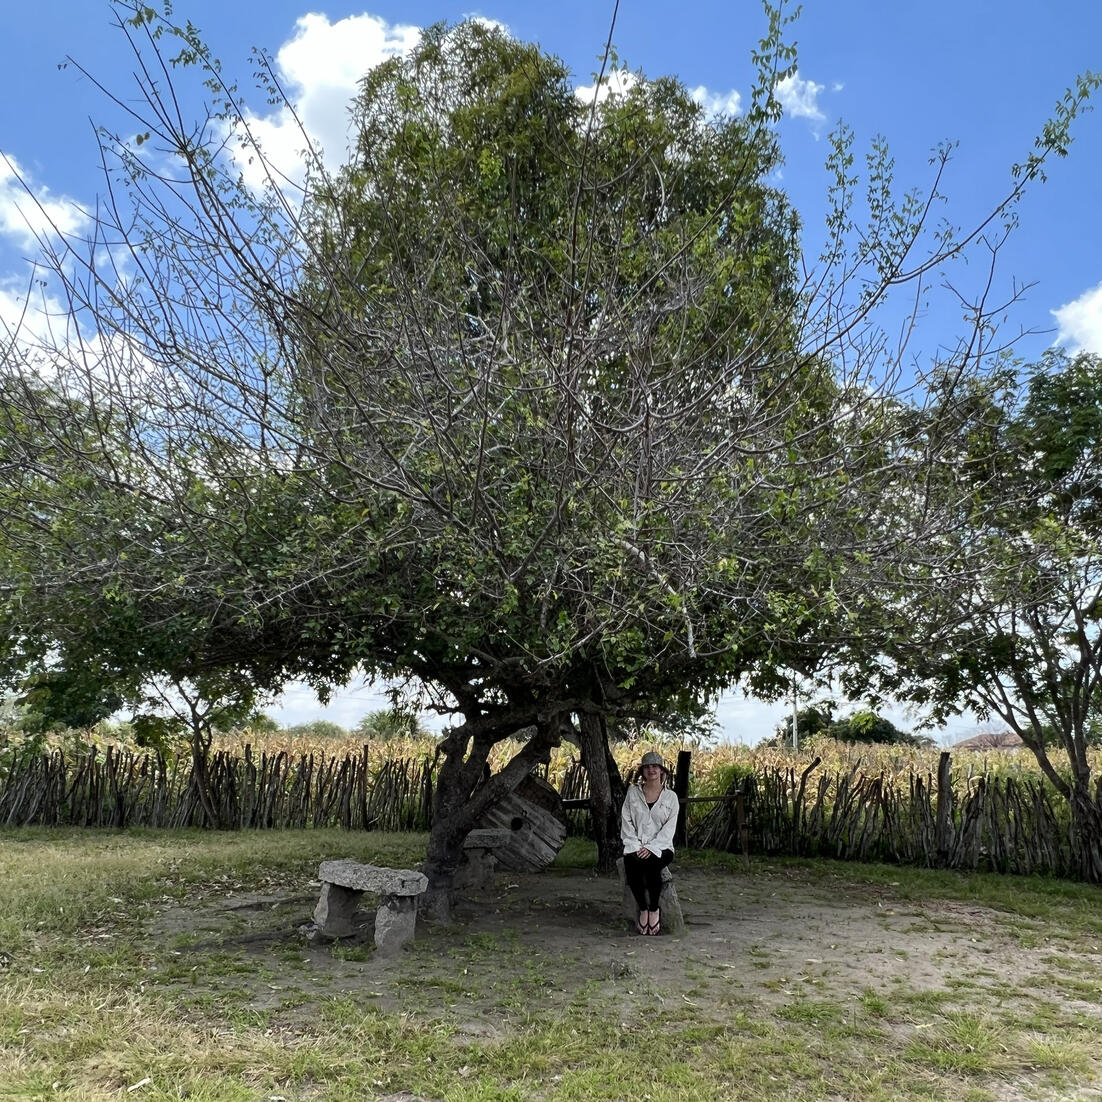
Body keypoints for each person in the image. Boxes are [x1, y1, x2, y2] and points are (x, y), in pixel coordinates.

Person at [620, 750, 678, 935]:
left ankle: (654, 910)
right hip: (635, 844)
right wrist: (636, 847)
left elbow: (669, 829)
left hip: (662, 847)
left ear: (662, 771)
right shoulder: (633, 793)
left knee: (653, 865)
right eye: (647, 767)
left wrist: (651, 848)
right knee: (631, 864)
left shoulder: (671, 798)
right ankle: (643, 909)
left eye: (655, 766)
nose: (651, 770)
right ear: (643, 771)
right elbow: (626, 821)